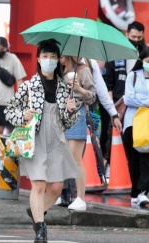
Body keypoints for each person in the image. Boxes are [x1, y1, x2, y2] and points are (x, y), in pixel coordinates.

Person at [4, 39, 79, 243]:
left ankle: (36, 210)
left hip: (56, 139)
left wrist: (72, 110)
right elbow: (9, 110)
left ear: (58, 60)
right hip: (34, 139)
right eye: (45, 56)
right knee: (38, 186)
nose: (49, 60)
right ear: (38, 58)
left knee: (55, 188)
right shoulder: (29, 86)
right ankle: (40, 228)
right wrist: (23, 116)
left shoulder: (64, 88)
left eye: (53, 56)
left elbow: (68, 122)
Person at [101, 21, 146, 169]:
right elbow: (108, 82)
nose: (136, 40)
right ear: (126, 34)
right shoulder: (116, 53)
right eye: (133, 36)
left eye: (139, 37)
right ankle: (112, 166)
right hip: (118, 103)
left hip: (140, 107)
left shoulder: (145, 55)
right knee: (112, 135)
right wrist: (111, 107)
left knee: (137, 139)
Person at [60, 55, 96, 211]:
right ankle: (61, 194)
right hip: (62, 117)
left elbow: (92, 96)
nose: (58, 58)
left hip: (77, 116)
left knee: (75, 159)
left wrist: (79, 89)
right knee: (62, 158)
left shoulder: (83, 70)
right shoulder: (61, 72)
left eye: (61, 55)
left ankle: (80, 198)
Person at [0, 36, 27, 141]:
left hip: (6, 101)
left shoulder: (13, 58)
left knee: (0, 130)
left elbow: (19, 79)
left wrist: (20, 98)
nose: (0, 52)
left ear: (7, 47)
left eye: (2, 49)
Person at [122, 47, 149, 206]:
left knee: (147, 158)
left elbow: (134, 97)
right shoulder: (132, 76)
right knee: (133, 159)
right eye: (147, 61)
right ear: (142, 61)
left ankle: (143, 192)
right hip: (132, 123)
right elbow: (128, 98)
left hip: (147, 125)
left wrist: (140, 99)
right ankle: (135, 191)